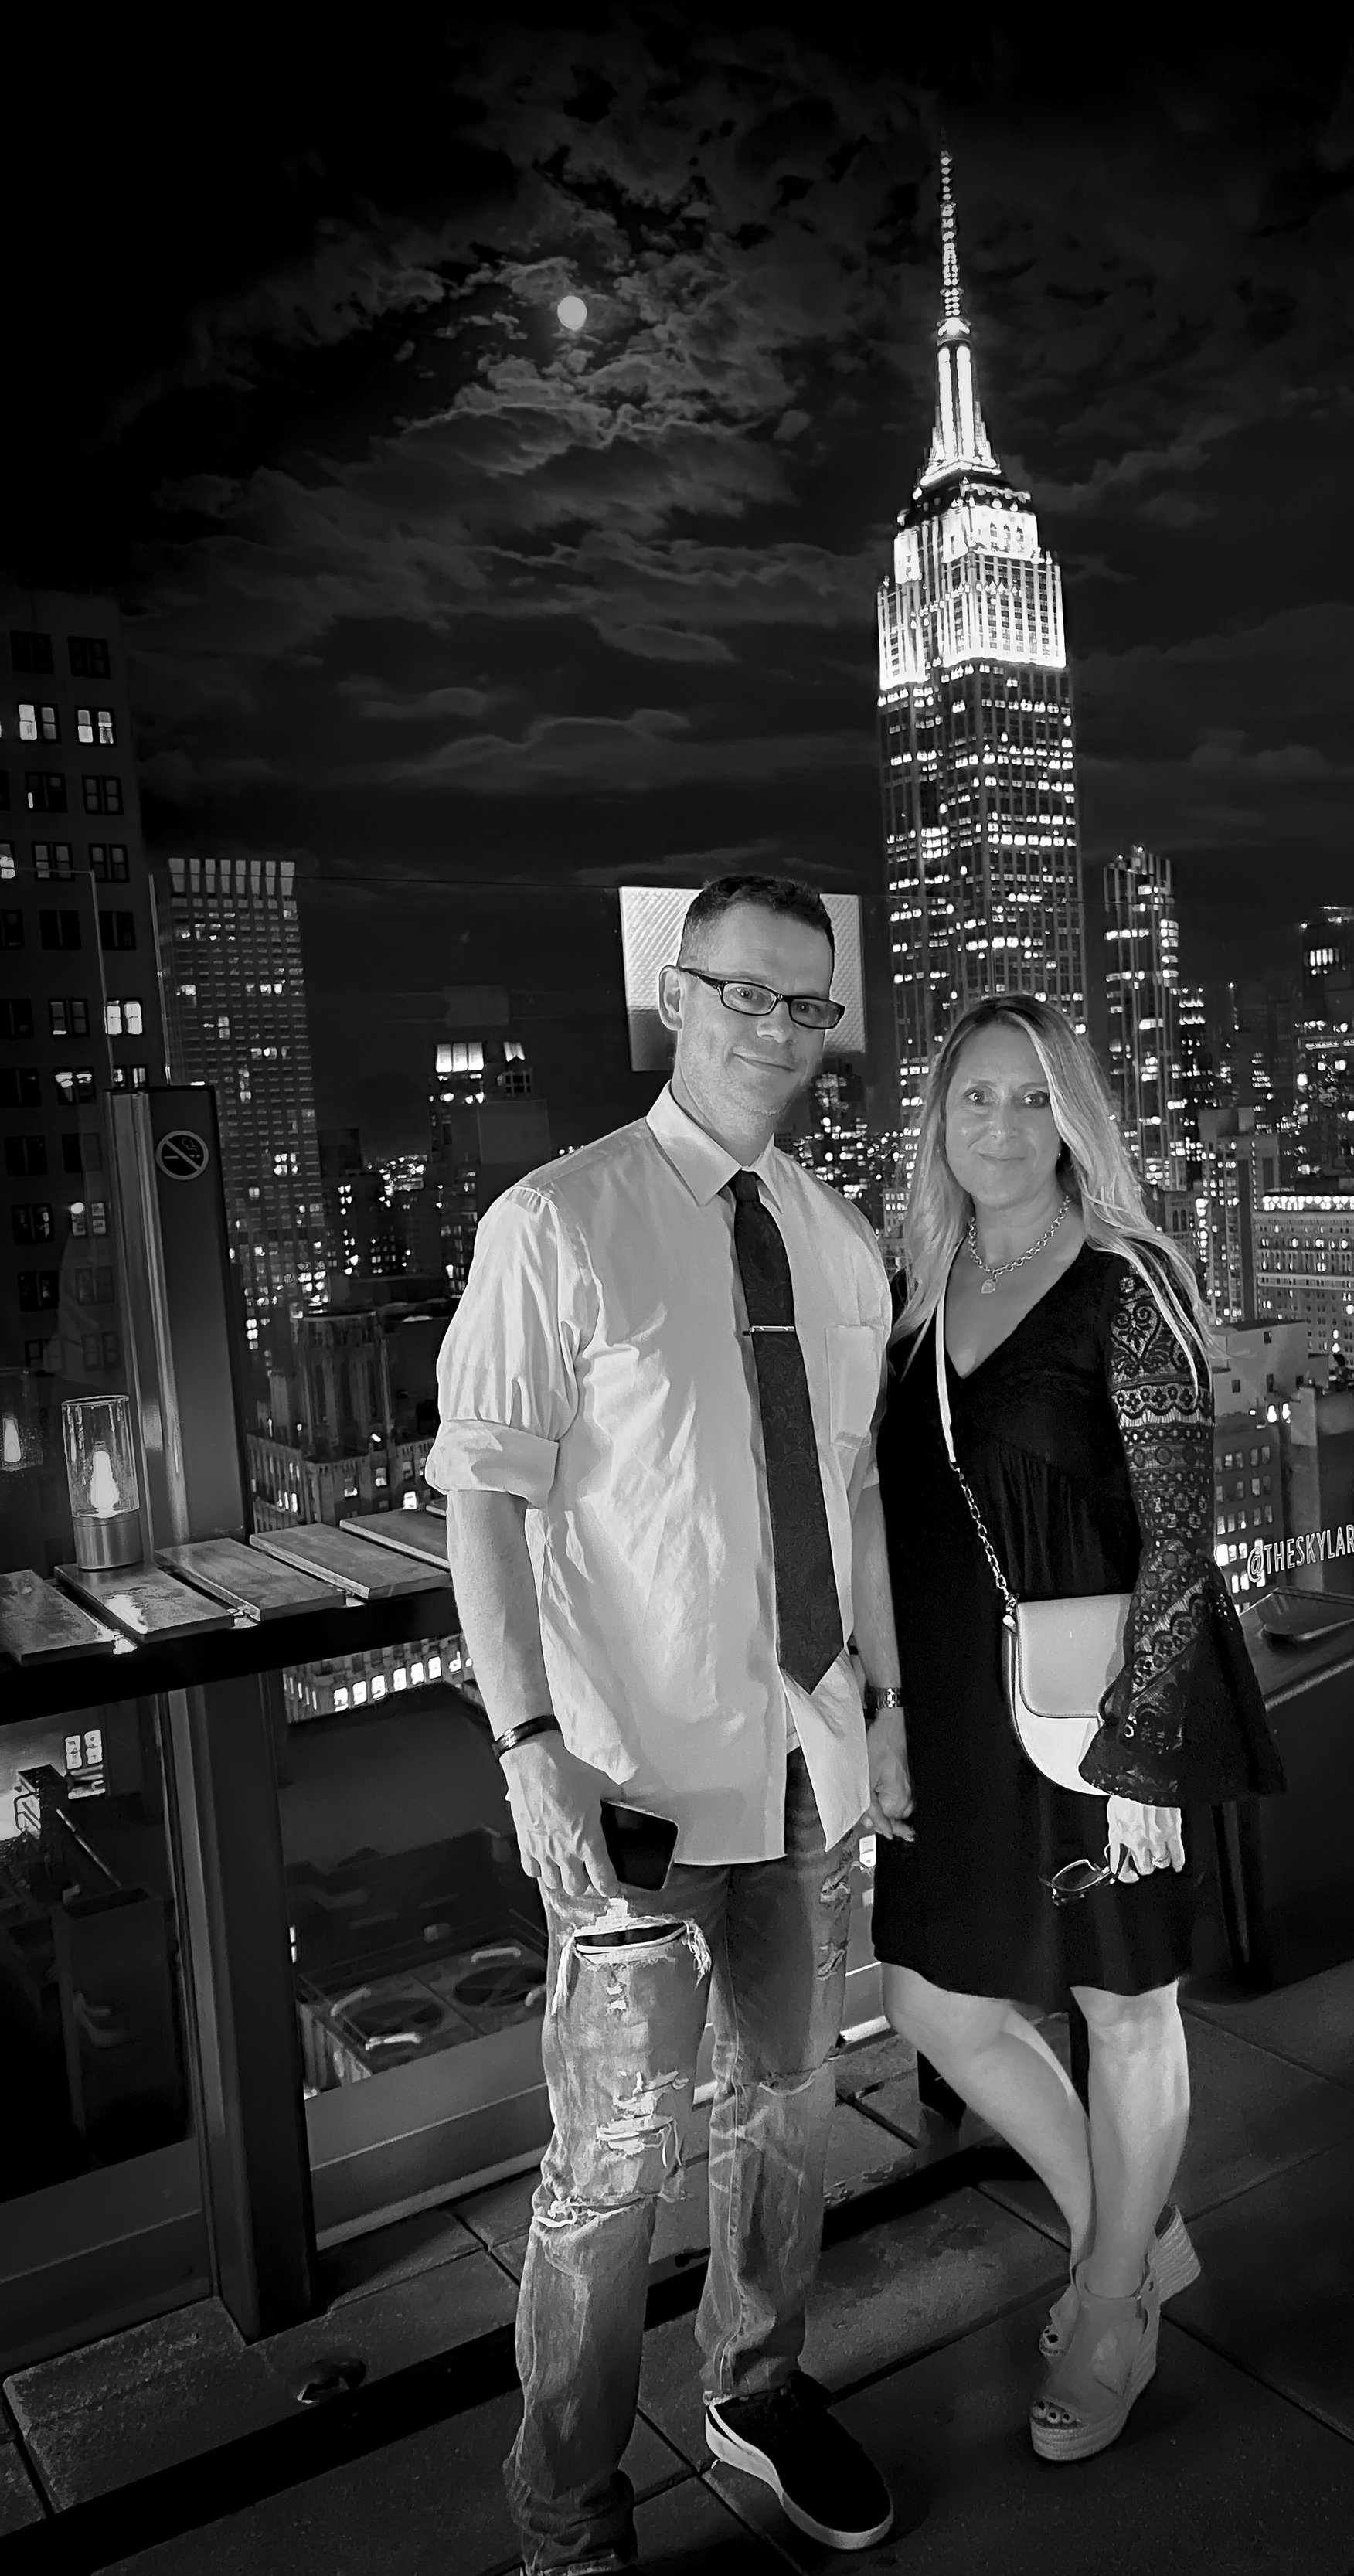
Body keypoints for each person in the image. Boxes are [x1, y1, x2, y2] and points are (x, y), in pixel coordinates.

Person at [430, 876, 904, 2571]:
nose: (774, 1030)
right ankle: (565, 2507)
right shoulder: (556, 1223)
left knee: (786, 2116)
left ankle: (756, 2393)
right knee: (610, 2166)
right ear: (672, 992)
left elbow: (845, 1502)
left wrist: (886, 1720)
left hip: (802, 1769)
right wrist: (525, 1738)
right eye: (742, 992)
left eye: (805, 1004)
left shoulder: (841, 1241)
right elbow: (481, 1499)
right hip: (628, 1780)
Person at [866, 993, 1284, 2463]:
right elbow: (902, 1533)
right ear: (936, 1123)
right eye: (972, 1099)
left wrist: (1140, 1750)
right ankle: (1132, 2228)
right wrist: (893, 1716)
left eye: (1031, 1099)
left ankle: (1112, 2301)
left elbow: (1184, 1539)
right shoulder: (912, 1295)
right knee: (936, 2002)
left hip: (1104, 1703)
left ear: (1075, 1119)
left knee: (1126, 2005)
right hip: (964, 1715)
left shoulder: (1126, 1280)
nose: (1000, 1126)